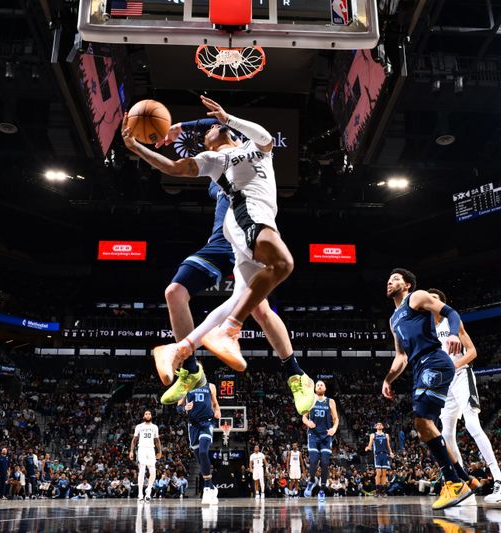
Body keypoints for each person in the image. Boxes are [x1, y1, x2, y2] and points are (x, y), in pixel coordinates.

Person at [121, 96, 315, 416]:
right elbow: (173, 166)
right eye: (208, 132)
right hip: (236, 233)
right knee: (249, 299)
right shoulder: (214, 163)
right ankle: (206, 354)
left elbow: (253, 133)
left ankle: (201, 349)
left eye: (215, 129)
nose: (209, 131)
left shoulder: (254, 146)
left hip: (249, 228)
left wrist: (208, 121)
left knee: (260, 305)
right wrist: (138, 147)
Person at [382, 269, 472, 510]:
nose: (390, 281)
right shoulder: (393, 320)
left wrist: (453, 333)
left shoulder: (416, 297)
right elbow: (401, 356)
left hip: (434, 361)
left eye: (396, 278)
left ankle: (454, 483)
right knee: (427, 428)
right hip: (419, 368)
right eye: (389, 279)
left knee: (423, 423)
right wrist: (388, 379)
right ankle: (465, 478)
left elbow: (450, 312)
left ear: (408, 285)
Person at [428, 288, 501, 503]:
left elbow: (473, 351)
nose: (431, 302)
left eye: (435, 299)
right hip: (444, 385)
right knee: (445, 437)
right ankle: (462, 485)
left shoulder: (452, 322)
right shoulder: (427, 330)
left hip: (461, 376)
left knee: (473, 424)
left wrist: (452, 365)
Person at [177, 370, 221, 505]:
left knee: (203, 452)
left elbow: (214, 403)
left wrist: (218, 410)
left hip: (207, 422)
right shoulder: (186, 387)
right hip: (193, 426)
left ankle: (207, 488)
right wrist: (185, 408)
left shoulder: (210, 386)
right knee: (200, 459)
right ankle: (213, 487)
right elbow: (178, 407)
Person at [302, 380, 339, 498]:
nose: (319, 386)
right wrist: (308, 422)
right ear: (314, 388)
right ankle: (312, 480)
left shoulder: (330, 401)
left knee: (324, 463)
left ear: (325, 388)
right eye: (317, 384)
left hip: (326, 436)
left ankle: (322, 489)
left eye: (321, 384)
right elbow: (304, 417)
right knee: (313, 461)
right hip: (313, 435)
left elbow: (336, 418)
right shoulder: (310, 400)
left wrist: (334, 428)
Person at [130, 410, 162, 501]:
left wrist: (160, 451)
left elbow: (157, 440)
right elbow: (134, 439)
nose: (148, 415)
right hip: (142, 449)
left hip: (151, 449)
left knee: (153, 471)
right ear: (144, 416)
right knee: (142, 470)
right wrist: (131, 451)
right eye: (146, 414)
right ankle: (140, 493)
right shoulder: (139, 426)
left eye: (149, 414)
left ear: (151, 416)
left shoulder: (155, 427)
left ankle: (148, 491)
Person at [365, 422, 394, 497]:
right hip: (377, 455)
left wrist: (391, 452)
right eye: (378, 424)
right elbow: (370, 445)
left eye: (381, 424)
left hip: (385, 455)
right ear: (375, 427)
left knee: (384, 473)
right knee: (378, 473)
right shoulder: (373, 435)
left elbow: (388, 445)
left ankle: (383, 491)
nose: (379, 425)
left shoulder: (386, 435)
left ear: (383, 427)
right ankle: (377, 490)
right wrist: (367, 448)